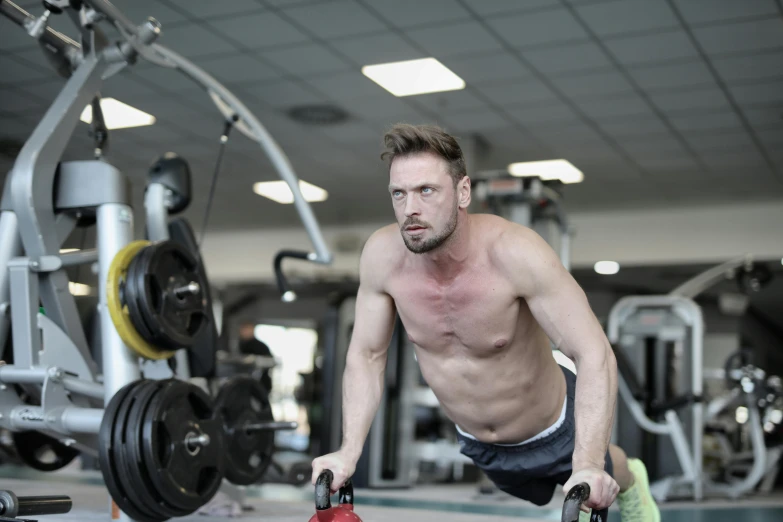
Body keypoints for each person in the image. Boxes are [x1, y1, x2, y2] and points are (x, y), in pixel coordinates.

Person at [311, 124, 660, 521]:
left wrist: (589, 462)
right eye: (399, 193)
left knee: (601, 474)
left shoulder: (516, 252)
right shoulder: (381, 257)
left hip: (554, 424)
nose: (410, 208)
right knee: (535, 496)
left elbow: (594, 352)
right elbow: (367, 355)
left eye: (426, 190)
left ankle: (635, 482)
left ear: (463, 192)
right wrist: (348, 451)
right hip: (480, 446)